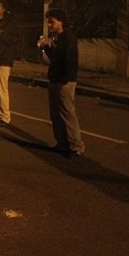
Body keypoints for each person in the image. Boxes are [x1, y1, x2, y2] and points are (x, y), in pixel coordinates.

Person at [38, 8, 85, 158]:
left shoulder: (69, 37)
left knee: (67, 114)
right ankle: (62, 143)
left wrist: (65, 80)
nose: (49, 25)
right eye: (48, 22)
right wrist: (45, 47)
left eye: (52, 22)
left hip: (64, 82)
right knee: (55, 115)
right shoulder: (57, 38)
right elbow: (55, 59)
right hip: (54, 80)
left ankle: (75, 146)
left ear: (61, 21)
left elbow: (70, 60)